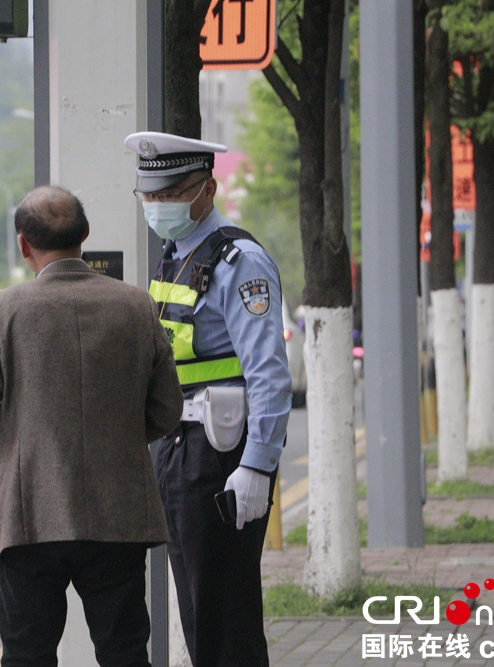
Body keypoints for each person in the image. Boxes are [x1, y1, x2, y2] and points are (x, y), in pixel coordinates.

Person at [0, 186, 183, 667]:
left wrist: (25, 442)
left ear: (24, 245)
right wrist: (116, 437)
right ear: (84, 234)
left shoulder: (2, 311)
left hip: (30, 513)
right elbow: (167, 410)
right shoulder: (136, 306)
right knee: (124, 651)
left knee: (27, 653)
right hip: (117, 513)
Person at [124, 131, 291, 667]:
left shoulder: (239, 262)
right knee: (199, 608)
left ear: (206, 190)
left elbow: (268, 372)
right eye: (148, 196)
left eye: (169, 194)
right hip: (178, 448)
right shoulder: (176, 256)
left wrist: (257, 467)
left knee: (225, 615)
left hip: (220, 454)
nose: (157, 206)